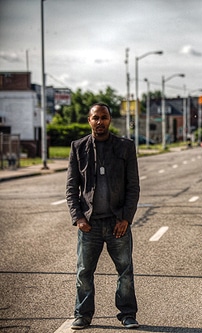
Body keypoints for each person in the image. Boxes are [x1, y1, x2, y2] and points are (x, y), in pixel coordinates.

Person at [66, 103, 140, 330]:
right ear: (89, 120)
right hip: (90, 224)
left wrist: (126, 218)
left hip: (118, 222)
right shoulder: (78, 148)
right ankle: (83, 315)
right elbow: (71, 188)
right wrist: (78, 217)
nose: (100, 122)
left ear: (110, 120)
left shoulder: (125, 147)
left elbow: (133, 187)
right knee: (84, 272)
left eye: (104, 117)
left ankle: (127, 314)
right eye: (95, 118)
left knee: (125, 271)